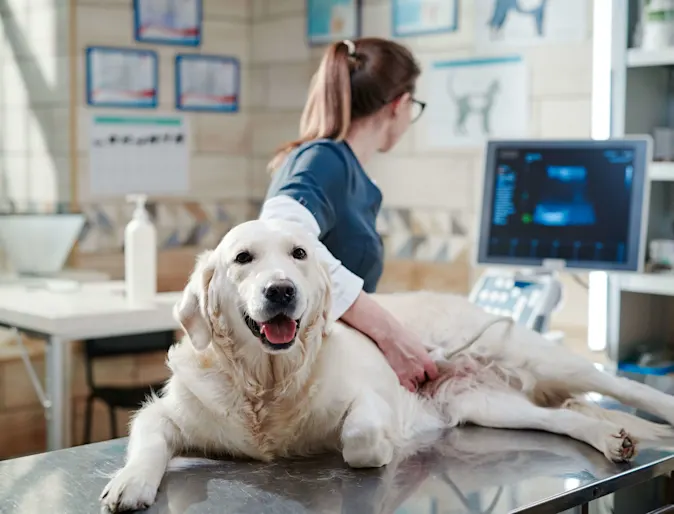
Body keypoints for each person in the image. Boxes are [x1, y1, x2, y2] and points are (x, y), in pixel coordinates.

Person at [259, 37, 438, 392]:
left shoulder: (345, 170)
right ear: (399, 105)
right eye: (413, 106)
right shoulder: (325, 159)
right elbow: (277, 235)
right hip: (312, 383)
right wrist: (390, 334)